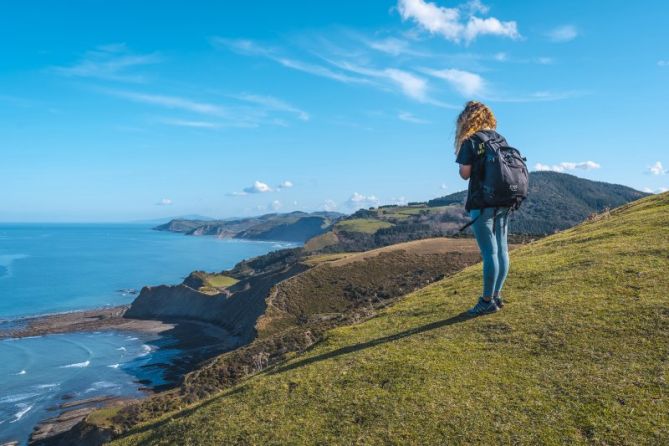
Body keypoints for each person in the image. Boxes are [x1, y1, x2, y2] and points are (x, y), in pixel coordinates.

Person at [455, 101, 510, 316]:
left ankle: (486, 300)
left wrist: (462, 155)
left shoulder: (471, 140)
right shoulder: (500, 138)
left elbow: (465, 174)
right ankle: (496, 295)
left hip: (482, 202)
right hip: (505, 200)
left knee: (489, 253)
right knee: (502, 250)